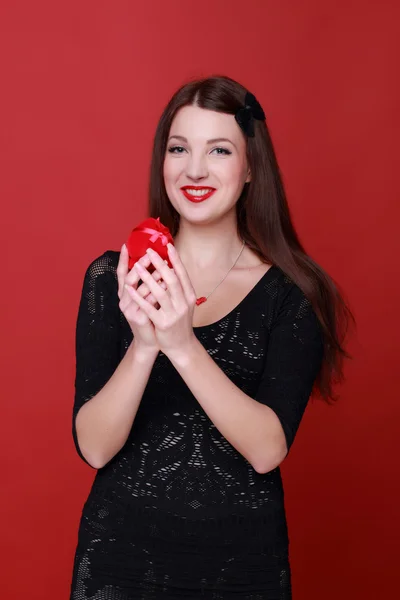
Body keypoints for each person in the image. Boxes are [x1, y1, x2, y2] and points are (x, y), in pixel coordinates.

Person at [70, 75, 354, 599]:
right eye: (179, 148)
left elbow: (268, 449)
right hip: (119, 562)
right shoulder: (111, 277)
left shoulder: (293, 294)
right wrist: (145, 344)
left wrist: (181, 344)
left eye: (219, 150)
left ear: (250, 169)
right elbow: (94, 447)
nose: (194, 169)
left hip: (242, 571)